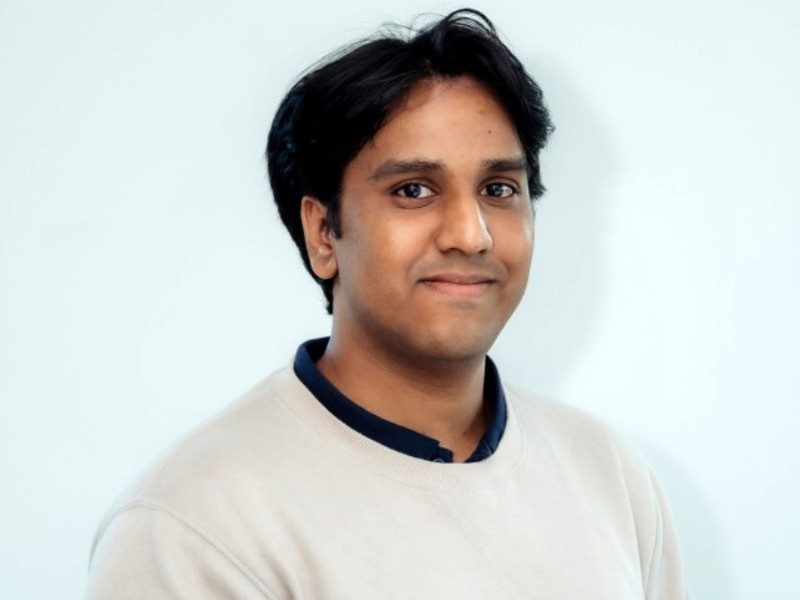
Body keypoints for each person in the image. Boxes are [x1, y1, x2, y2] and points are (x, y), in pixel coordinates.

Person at [86, 8, 688, 599]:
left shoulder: (608, 475)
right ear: (323, 234)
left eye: (498, 189)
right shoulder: (195, 526)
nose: (471, 234)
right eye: (414, 190)